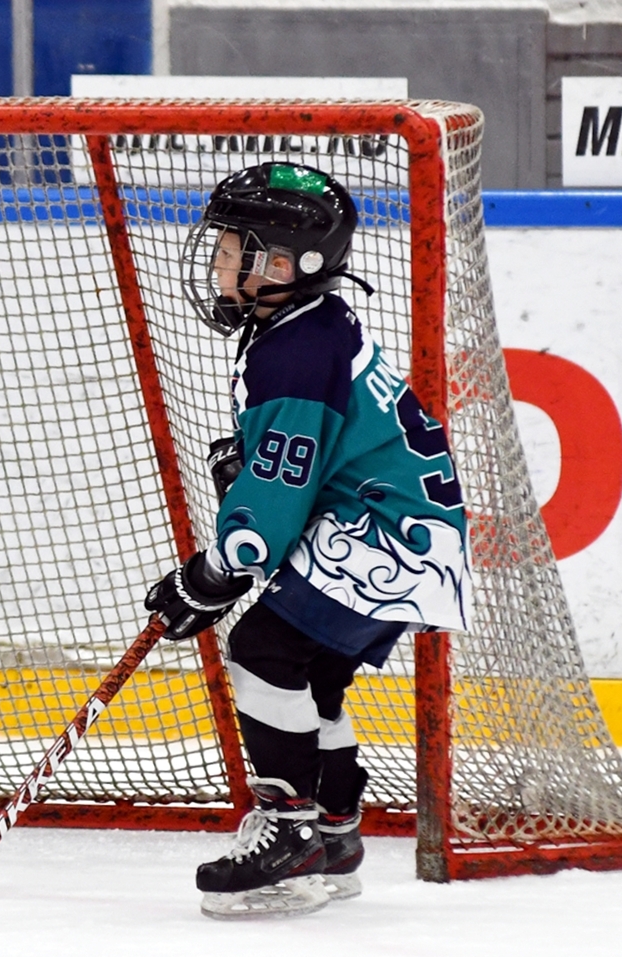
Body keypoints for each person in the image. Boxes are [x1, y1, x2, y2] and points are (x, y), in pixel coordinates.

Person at [144, 162, 471, 918]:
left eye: (236, 250)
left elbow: (275, 501)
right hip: (402, 530)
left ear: (289, 264)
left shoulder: (292, 349)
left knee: (262, 650)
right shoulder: (305, 327)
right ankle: (335, 830)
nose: (220, 263)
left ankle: (290, 829)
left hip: (383, 535)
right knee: (310, 670)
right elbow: (309, 448)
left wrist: (213, 572)